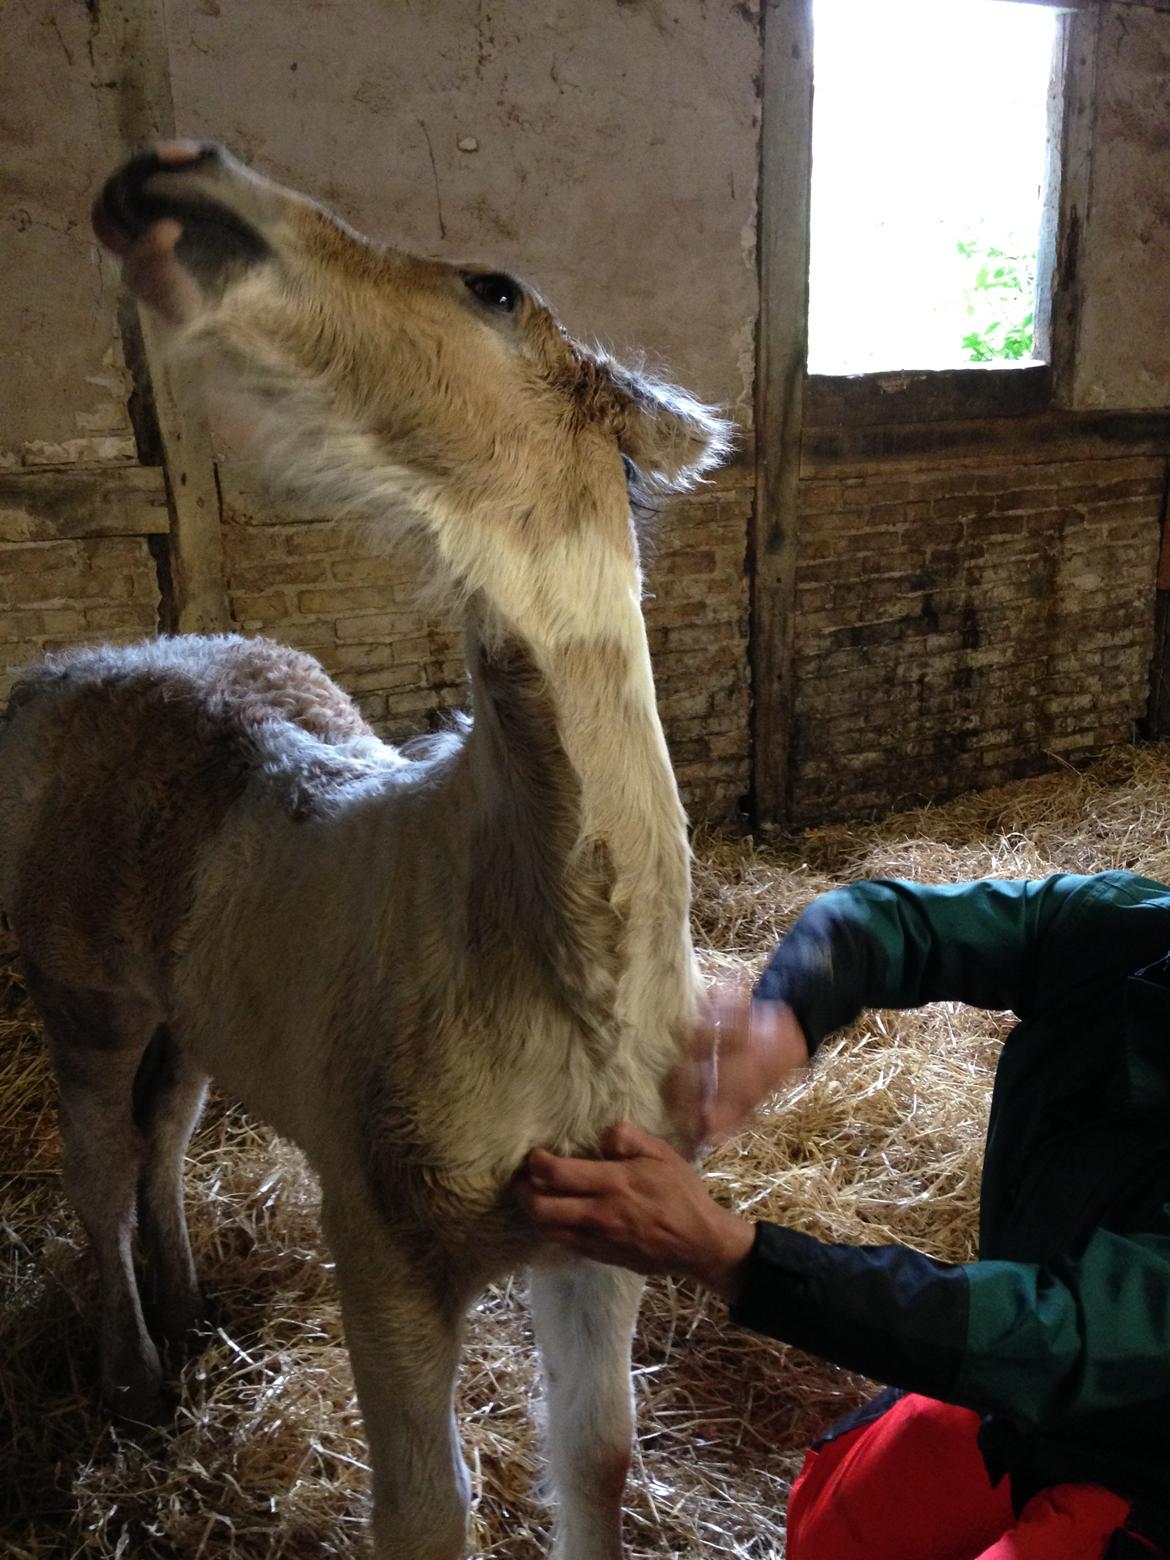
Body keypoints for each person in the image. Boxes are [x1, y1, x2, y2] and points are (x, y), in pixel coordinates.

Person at [514, 871, 1170, 1560]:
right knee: (830, 1526)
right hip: (1024, 1404)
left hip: (1143, 1465)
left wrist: (728, 1254)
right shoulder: (1133, 931)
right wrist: (786, 1017)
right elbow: (886, 922)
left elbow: (1054, 1335)